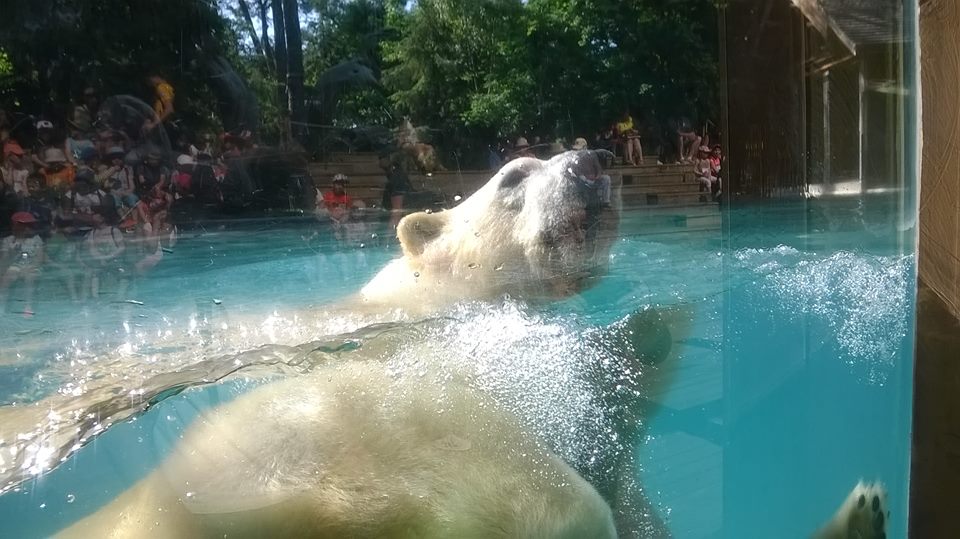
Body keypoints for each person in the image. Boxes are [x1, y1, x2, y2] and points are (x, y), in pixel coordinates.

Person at [0, 211, 45, 315]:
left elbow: (40, 258)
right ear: (17, 226)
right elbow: (4, 261)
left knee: (30, 277)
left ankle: (28, 306)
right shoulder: (8, 241)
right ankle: (2, 306)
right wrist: (12, 253)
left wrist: (31, 266)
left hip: (32, 266)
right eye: (25, 225)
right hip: (15, 265)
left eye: (29, 225)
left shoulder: (36, 239)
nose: (29, 228)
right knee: (6, 279)